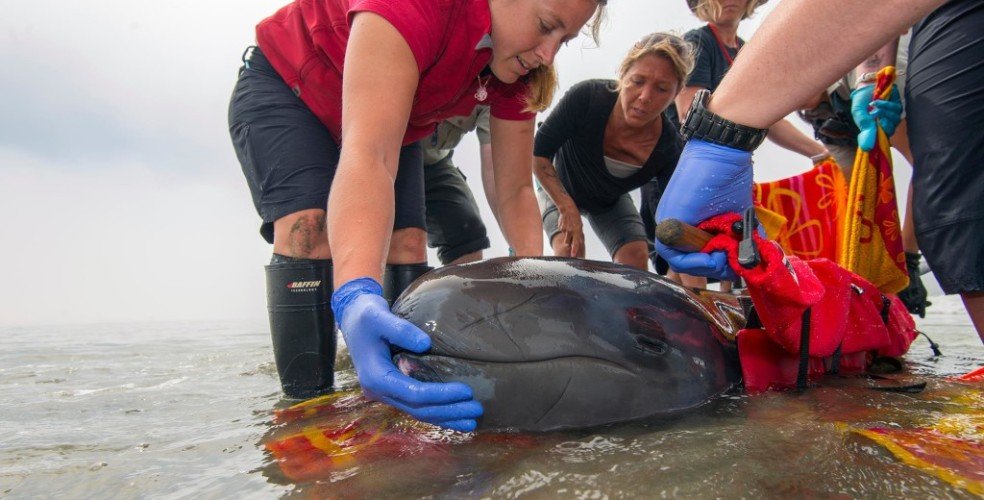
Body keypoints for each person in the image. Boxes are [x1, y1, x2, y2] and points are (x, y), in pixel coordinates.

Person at [228, 0, 607, 432]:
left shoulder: (521, 66)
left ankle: (399, 390)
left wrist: (536, 287)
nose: (548, 54)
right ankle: (306, 412)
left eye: (566, 40)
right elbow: (369, 156)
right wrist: (354, 295)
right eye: (545, 27)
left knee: (408, 240)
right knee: (308, 231)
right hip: (291, 86)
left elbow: (516, 188)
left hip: (400, 115)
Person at [653, 0, 984, 343]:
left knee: (952, 185)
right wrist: (719, 144)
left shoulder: (765, 55)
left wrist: (909, 255)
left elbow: (927, 168)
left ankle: (896, 275)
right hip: (716, 148)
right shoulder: (705, 44)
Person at [532, 33, 693, 273]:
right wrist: (566, 207)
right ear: (623, 73)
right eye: (638, 81)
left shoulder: (669, 146)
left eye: (661, 89)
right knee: (570, 253)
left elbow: (675, 214)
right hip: (558, 185)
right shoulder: (587, 97)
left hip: (608, 201)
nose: (645, 97)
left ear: (676, 92)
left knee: (637, 259)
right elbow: (538, 154)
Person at [798, 35, 932, 318]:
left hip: (890, 82)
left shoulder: (867, 70)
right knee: (848, 202)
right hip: (838, 118)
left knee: (929, 166)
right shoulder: (815, 110)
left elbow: (925, 168)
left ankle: (907, 262)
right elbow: (851, 201)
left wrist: (908, 255)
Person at [423, 106, 496, 265]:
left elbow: (497, 172)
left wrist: (519, 251)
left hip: (433, 161)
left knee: (468, 234)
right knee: (406, 237)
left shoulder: (498, 88)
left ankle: (462, 290)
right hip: (383, 148)